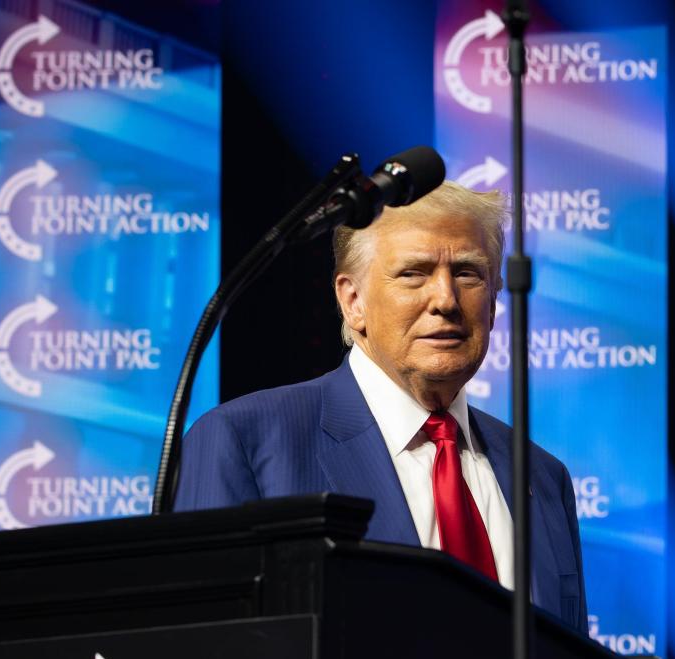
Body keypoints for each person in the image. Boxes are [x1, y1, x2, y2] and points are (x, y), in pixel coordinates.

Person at [175, 181, 587, 634]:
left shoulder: (543, 477)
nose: (446, 300)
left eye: (468, 273)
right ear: (353, 301)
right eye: (414, 273)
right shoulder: (246, 443)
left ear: (493, 300)